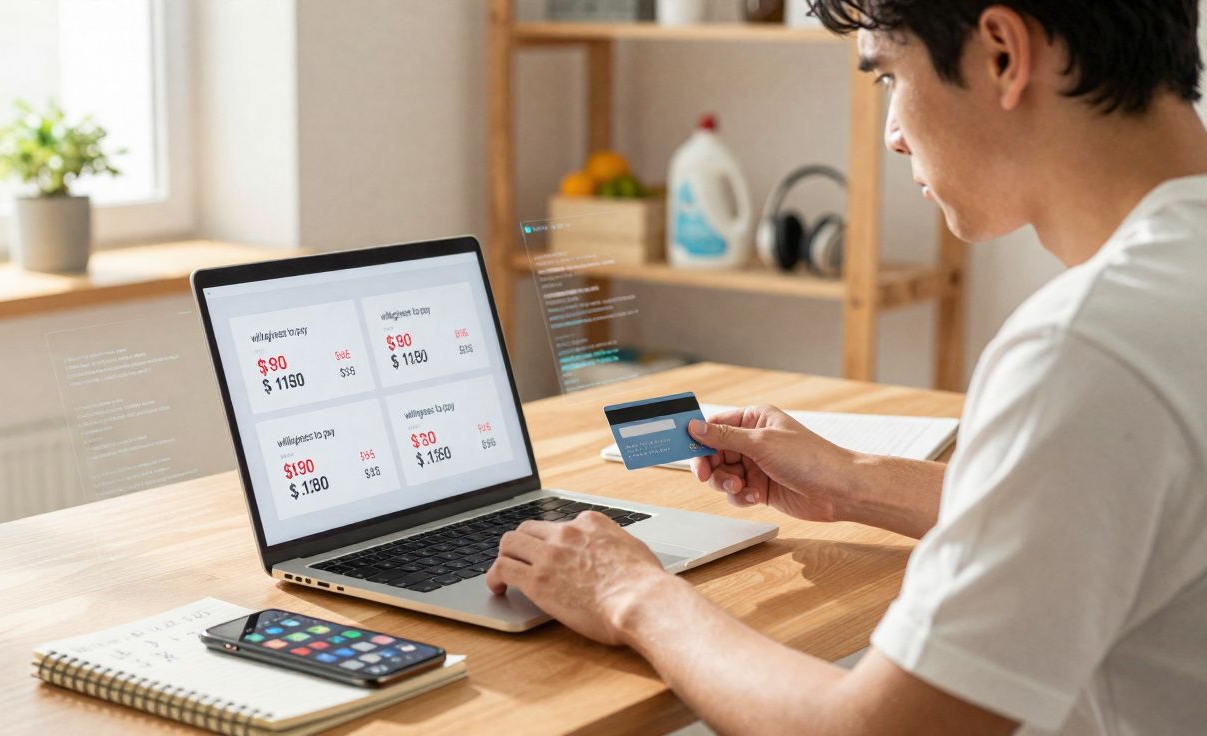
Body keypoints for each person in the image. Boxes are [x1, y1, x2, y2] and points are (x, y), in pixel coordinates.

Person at [486, 1, 1207, 733]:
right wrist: (853, 482)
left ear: (1001, 55)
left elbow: (870, 730)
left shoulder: (1082, 352)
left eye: (890, 75)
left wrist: (630, 591)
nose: (894, 134)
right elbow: (1109, 500)